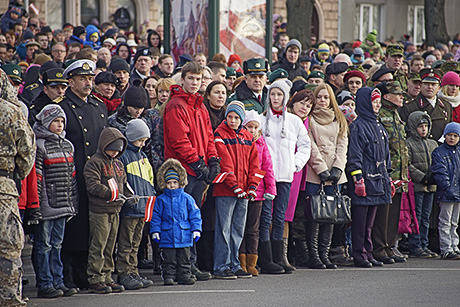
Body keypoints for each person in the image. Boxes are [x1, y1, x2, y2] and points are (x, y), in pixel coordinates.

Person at [163, 61, 219, 281]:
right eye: (191, 79)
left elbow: (208, 136)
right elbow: (179, 141)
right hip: (182, 171)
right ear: (183, 79)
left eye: (199, 79)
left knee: (192, 218)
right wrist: (198, 163)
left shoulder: (200, 105)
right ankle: (179, 267)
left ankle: (189, 264)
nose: (195, 83)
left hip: (198, 170)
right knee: (180, 220)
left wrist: (213, 159)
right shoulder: (176, 105)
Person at [59, 59, 108, 290]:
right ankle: (69, 273)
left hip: (95, 175)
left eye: (90, 79)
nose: (88, 83)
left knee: (93, 225)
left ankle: (89, 271)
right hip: (72, 173)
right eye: (82, 79)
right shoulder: (64, 107)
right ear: (71, 82)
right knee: (74, 225)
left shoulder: (99, 106)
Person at [260, 80, 311, 274]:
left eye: (279, 95)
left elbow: (305, 146)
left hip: (285, 176)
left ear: (286, 97)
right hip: (266, 177)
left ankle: (279, 258)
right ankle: (266, 260)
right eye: (272, 94)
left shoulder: (294, 121)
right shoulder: (261, 118)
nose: (275, 98)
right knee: (266, 217)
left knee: (280, 217)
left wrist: (295, 164)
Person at [83, 127, 138, 294]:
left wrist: (130, 196)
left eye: (117, 151)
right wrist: (111, 194)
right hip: (100, 210)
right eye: (112, 150)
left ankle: (107, 276)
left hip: (115, 210)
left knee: (110, 245)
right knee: (98, 244)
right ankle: (95, 277)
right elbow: (92, 185)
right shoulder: (94, 162)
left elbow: (124, 184)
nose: (114, 153)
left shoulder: (118, 164)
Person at [33, 104, 78, 298]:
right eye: (55, 121)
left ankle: (58, 281)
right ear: (45, 122)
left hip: (62, 206)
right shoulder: (39, 145)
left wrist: (72, 204)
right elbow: (38, 178)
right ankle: (45, 283)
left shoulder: (68, 145)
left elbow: (72, 178)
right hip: (47, 206)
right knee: (44, 245)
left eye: (62, 121)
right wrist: (38, 207)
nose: (59, 125)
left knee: (57, 245)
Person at [212, 101, 260, 279]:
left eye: (236, 117)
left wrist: (252, 186)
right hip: (226, 190)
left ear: (241, 119)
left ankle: (234, 264)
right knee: (223, 230)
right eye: (230, 117)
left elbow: (255, 164)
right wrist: (235, 186)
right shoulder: (219, 134)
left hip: (244, 191)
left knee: (238, 229)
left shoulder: (247, 137)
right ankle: (221, 266)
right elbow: (225, 163)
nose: (232, 120)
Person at [0, 69, 35, 307]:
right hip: (3, 186)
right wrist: (16, 176)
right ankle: (9, 297)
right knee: (9, 246)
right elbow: (27, 152)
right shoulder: (10, 111)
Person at [347, 87, 392, 268]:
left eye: (378, 101)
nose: (377, 105)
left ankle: (369, 252)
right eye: (374, 101)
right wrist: (358, 179)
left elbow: (385, 155)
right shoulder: (358, 126)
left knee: (370, 224)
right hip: (365, 180)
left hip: (378, 180)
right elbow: (354, 155)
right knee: (360, 222)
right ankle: (359, 254)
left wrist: (388, 177)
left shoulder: (379, 126)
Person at [305, 83, 348, 270]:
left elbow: (342, 145)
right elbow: (311, 145)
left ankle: (325, 254)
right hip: (315, 173)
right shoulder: (309, 119)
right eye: (319, 97)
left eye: (325, 97)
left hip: (335, 173)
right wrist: (321, 169)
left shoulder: (339, 119)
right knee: (315, 215)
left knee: (331, 215)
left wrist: (338, 168)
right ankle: (314, 255)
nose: (322, 101)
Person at [150, 158, 202, 285]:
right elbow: (155, 216)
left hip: (184, 235)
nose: (172, 185)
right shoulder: (160, 200)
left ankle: (184, 275)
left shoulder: (187, 198)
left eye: (175, 182)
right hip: (167, 235)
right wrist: (155, 231)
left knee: (184, 259)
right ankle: (169, 276)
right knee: (169, 259)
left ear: (180, 182)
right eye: (169, 182)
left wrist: (196, 229)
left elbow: (195, 214)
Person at [117, 119, 155, 290]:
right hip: (131, 207)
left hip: (143, 207)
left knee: (136, 243)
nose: (143, 143)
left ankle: (133, 271)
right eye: (140, 140)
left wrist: (151, 196)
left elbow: (149, 180)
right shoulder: (123, 156)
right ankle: (124, 273)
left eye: (145, 140)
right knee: (126, 243)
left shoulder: (143, 156)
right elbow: (122, 182)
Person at [374, 81, 409, 264]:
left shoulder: (396, 115)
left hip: (399, 173)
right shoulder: (381, 115)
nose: (402, 97)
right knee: (383, 214)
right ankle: (379, 247)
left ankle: (389, 246)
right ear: (386, 96)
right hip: (388, 172)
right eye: (398, 94)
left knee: (394, 213)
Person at [239, 110, 276, 276]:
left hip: (258, 193)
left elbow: (268, 168)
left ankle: (251, 262)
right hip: (243, 191)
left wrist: (271, 189)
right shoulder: (240, 142)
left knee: (253, 229)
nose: (252, 130)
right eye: (249, 127)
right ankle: (240, 261)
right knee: (241, 227)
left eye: (255, 127)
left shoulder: (262, 144)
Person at [285, 89, 313, 267]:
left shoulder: (307, 122)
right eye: (302, 103)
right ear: (293, 103)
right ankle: (285, 253)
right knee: (284, 213)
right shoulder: (286, 119)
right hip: (286, 171)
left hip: (301, 172)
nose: (305, 108)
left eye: (309, 105)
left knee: (298, 214)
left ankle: (297, 253)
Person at [405, 111, 439, 258]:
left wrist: (434, 176)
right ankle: (415, 245)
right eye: (420, 126)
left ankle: (424, 244)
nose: (424, 129)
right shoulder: (409, 143)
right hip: (418, 186)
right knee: (416, 216)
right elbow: (408, 164)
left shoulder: (433, 143)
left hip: (430, 186)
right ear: (413, 127)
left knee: (426, 216)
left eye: (426, 126)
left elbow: (438, 162)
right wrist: (422, 177)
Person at [431, 122, 460, 260]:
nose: (452, 138)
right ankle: (446, 248)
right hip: (446, 193)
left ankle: (455, 246)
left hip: (458, 193)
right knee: (445, 222)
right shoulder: (439, 152)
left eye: (455, 135)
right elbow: (440, 172)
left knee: (454, 222)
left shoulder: (458, 152)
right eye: (449, 135)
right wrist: (447, 187)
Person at [399, 68, 452, 142]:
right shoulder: (409, 107)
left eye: (433, 84)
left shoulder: (446, 106)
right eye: (426, 84)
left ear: (439, 87)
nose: (429, 87)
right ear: (421, 86)